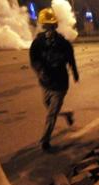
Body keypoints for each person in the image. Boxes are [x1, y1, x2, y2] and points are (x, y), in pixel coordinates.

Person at [29, 8, 79, 151]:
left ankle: (45, 141)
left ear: (55, 26)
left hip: (60, 84)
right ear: (43, 26)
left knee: (51, 114)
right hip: (45, 84)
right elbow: (34, 59)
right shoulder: (38, 43)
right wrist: (39, 71)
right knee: (50, 109)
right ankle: (67, 114)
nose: (49, 29)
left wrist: (75, 74)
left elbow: (71, 59)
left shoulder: (63, 43)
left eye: (51, 26)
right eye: (46, 26)